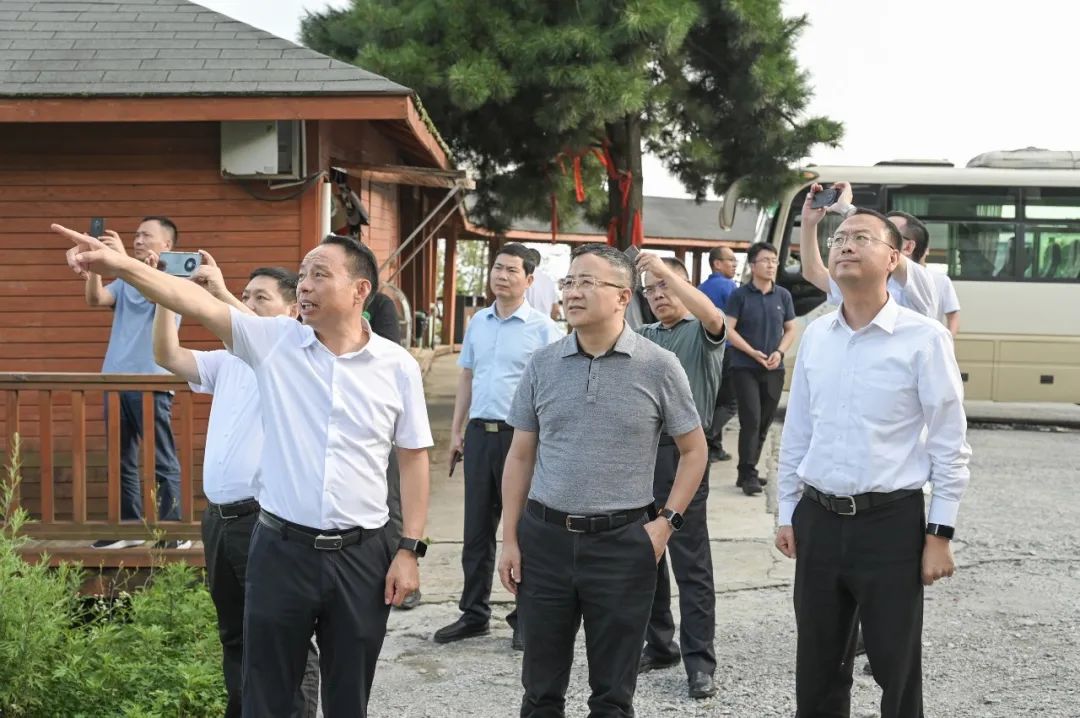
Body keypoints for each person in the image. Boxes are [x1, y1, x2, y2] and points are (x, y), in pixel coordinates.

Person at [58, 226, 432, 718]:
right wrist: (124, 267)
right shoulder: (275, 342)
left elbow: (413, 457)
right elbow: (194, 302)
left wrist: (409, 549)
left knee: (349, 696)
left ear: (360, 290)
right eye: (302, 274)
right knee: (265, 694)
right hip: (281, 551)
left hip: (362, 555)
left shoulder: (396, 366)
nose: (305, 284)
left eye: (320, 275)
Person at [775, 207, 971, 718]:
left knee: (895, 666)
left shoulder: (924, 338)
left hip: (890, 524)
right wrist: (786, 512)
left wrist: (939, 534)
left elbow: (949, 443)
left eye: (861, 237)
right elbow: (798, 432)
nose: (845, 245)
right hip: (818, 519)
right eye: (839, 237)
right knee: (817, 666)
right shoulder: (818, 336)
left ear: (894, 258)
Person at [497, 243, 708, 718]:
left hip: (622, 545)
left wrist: (666, 524)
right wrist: (509, 538)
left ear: (622, 297)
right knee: (539, 691)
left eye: (587, 283)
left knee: (612, 696)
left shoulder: (658, 365)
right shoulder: (543, 363)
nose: (573, 292)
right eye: (569, 282)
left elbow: (695, 451)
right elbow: (521, 454)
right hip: (545, 541)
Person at [152, 258, 319, 718]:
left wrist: (219, 294)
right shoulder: (226, 361)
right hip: (220, 521)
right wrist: (167, 292)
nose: (247, 303)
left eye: (261, 297)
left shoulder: (296, 357)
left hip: (265, 520)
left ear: (293, 311)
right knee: (235, 635)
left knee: (285, 636)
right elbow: (166, 354)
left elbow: (258, 333)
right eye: (246, 296)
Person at [435, 243, 563, 649]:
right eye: (497, 268)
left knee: (522, 529)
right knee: (476, 530)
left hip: (520, 439)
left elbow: (555, 390)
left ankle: (525, 617)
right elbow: (467, 378)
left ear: (529, 280)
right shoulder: (478, 322)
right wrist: (457, 432)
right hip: (479, 435)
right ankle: (474, 613)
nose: (501, 276)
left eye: (511, 270)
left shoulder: (544, 330)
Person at [634, 253, 726, 699]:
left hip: (686, 455)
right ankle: (659, 644)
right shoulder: (643, 336)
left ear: (685, 285)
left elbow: (712, 314)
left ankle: (700, 662)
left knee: (690, 562)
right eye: (649, 289)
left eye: (665, 285)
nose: (657, 295)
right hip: (642, 456)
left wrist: (662, 268)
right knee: (643, 555)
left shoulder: (703, 331)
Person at [83, 217, 183, 548]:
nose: (138, 240)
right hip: (115, 380)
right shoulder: (125, 280)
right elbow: (96, 299)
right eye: (136, 235)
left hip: (151, 381)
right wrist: (95, 265)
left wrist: (120, 261)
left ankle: (172, 531)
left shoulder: (172, 277)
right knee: (121, 460)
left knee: (161, 459)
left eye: (146, 236)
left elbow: (156, 294)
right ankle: (129, 528)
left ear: (167, 245)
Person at [800, 183, 939, 318]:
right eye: (839, 239)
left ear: (906, 248)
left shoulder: (923, 282)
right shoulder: (861, 283)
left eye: (862, 236)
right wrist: (808, 222)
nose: (847, 247)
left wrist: (847, 209)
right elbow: (813, 271)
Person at [724, 242, 796, 496]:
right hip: (745, 366)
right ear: (753, 266)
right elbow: (728, 329)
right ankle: (748, 474)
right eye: (765, 260)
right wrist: (751, 352)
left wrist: (780, 352)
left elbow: (790, 329)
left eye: (774, 261)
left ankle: (748, 469)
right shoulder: (740, 295)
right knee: (751, 419)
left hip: (774, 368)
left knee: (764, 422)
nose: (771, 265)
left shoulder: (783, 295)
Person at [887, 211, 961, 337]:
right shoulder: (879, 278)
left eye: (889, 235)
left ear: (909, 247)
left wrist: (947, 340)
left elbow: (953, 315)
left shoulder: (927, 279)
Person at [698, 246, 739, 462]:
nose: (735, 264)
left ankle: (715, 448)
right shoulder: (729, 286)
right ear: (717, 263)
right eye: (730, 260)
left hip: (704, 349)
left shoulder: (701, 288)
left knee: (713, 401)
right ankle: (703, 439)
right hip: (726, 350)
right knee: (730, 403)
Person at [523, 247, 562, 321]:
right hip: (545, 322)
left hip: (526, 322)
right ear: (539, 262)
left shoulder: (523, 278)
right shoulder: (549, 280)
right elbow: (555, 310)